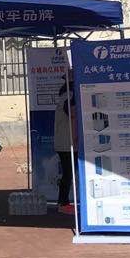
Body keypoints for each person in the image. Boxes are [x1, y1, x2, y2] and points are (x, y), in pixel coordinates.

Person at [54, 74, 75, 216]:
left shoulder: (65, 95)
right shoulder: (69, 96)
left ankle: (63, 202)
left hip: (66, 142)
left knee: (68, 173)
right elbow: (71, 113)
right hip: (67, 143)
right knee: (68, 173)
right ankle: (63, 203)